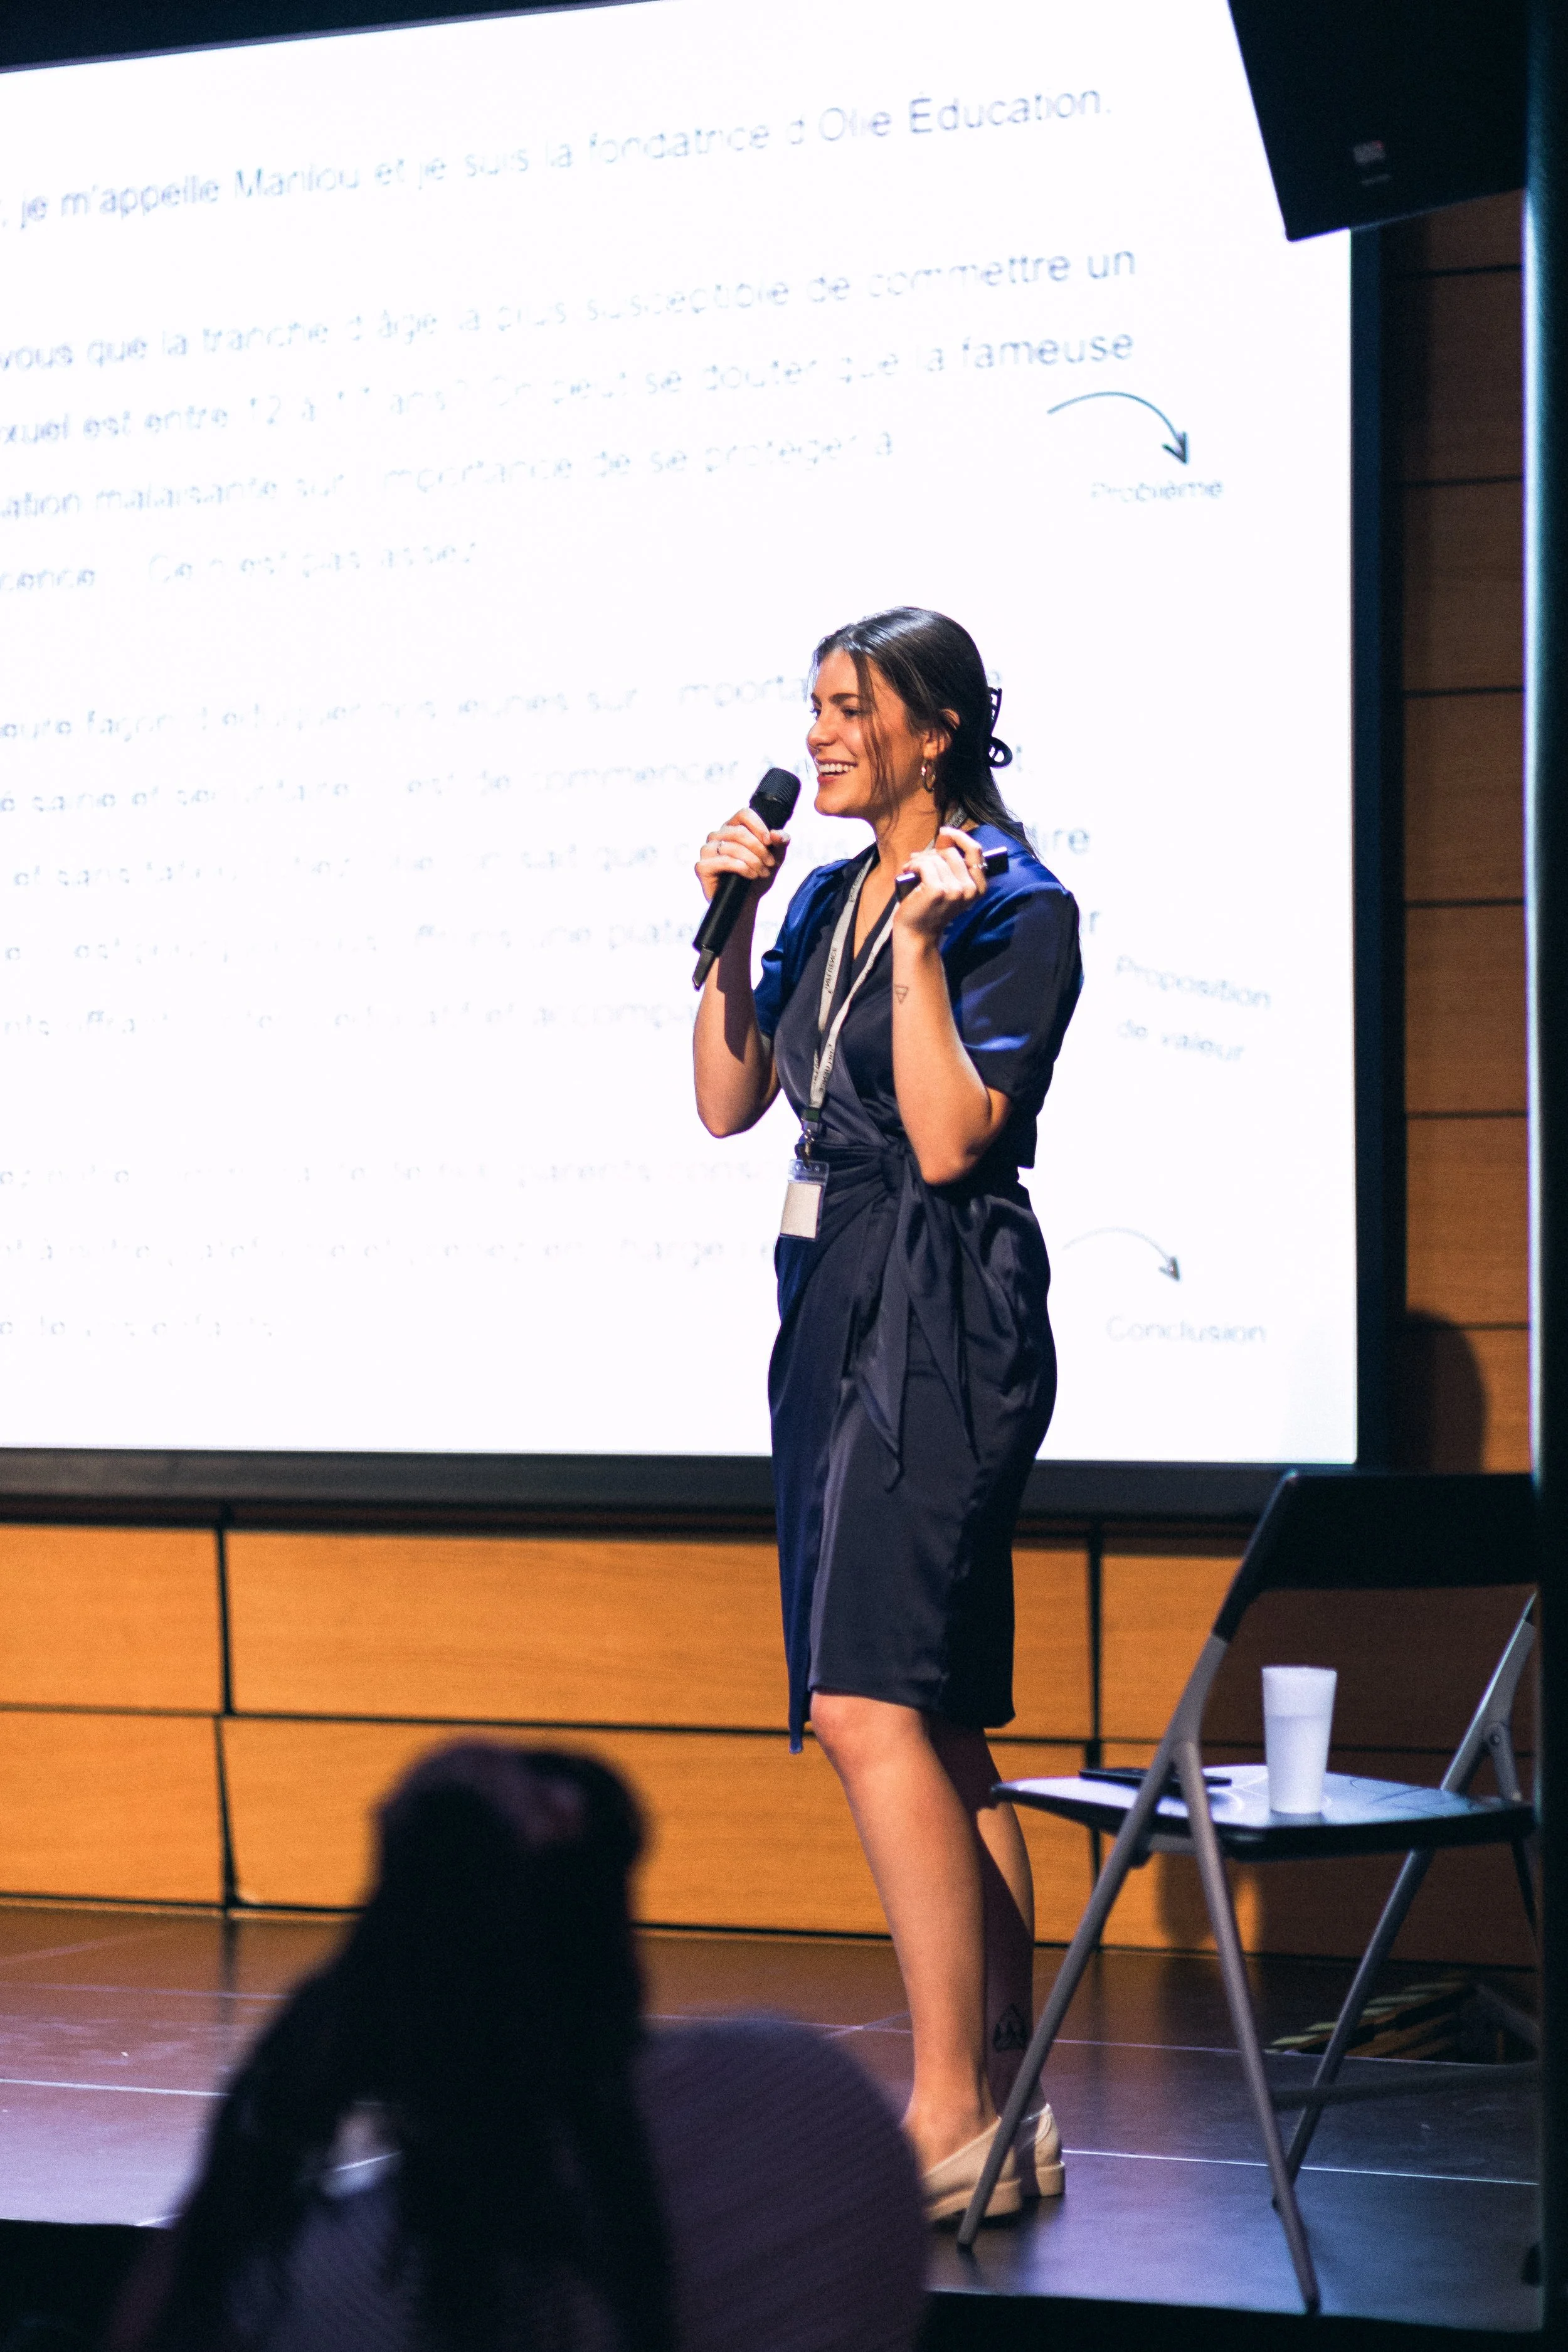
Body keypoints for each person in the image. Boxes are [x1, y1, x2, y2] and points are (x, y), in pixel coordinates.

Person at [692, 608, 1082, 2225]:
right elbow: (727, 1102)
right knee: (933, 1719)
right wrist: (731, 924)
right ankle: (1005, 2100)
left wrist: (920, 953)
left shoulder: (1012, 903)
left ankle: (946, 2111)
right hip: (830, 1296)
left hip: (943, 1312)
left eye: (850, 708)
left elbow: (945, 1139)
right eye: (812, 705)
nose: (820, 733)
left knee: (865, 1702)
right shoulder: (821, 893)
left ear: (935, 731)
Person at [111, 1742, 925, 2352]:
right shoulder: (817, 2101)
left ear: (382, 1970)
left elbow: (166, 2314)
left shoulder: (346, 2285)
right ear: (617, 1934)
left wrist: (288, 2077)